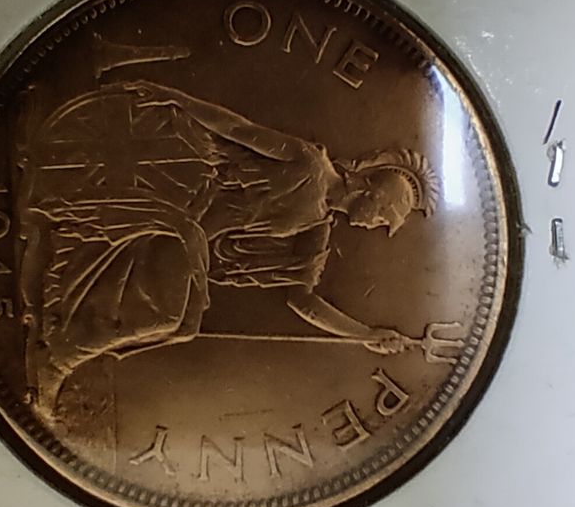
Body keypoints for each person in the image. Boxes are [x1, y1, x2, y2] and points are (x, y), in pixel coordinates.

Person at [26, 79, 439, 417]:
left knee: (182, 325)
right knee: (168, 314)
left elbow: (302, 299)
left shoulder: (318, 227)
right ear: (370, 190)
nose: (374, 226)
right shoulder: (308, 163)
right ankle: (58, 356)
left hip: (192, 240)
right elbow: (236, 129)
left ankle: (64, 346)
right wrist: (175, 96)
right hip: (181, 209)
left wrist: (365, 334)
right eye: (383, 217)